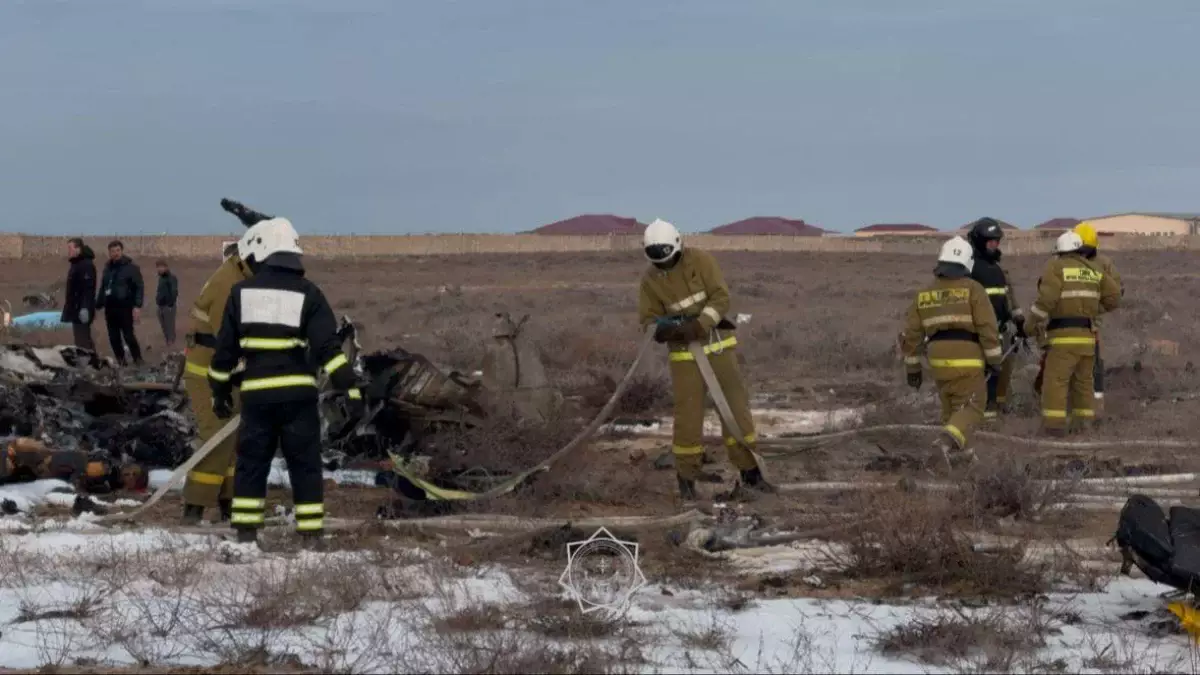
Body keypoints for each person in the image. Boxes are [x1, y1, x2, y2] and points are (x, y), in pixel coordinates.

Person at [207, 217, 363, 545]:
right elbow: (328, 349)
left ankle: (247, 535)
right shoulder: (310, 293)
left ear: (261, 251)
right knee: (305, 466)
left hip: (257, 399)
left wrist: (219, 391)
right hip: (298, 399)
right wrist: (349, 387)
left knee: (251, 465)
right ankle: (310, 536)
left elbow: (223, 354)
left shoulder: (241, 293)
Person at [637, 218, 773, 502]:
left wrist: (701, 324)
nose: (664, 266)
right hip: (684, 357)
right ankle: (686, 482)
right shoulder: (650, 280)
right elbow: (648, 320)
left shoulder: (701, 261)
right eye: (658, 262)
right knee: (687, 419)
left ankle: (751, 475)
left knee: (736, 412)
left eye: (668, 259)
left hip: (718, 348)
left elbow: (720, 297)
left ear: (678, 245)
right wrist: (666, 329)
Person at [179, 233, 262, 525]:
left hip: (226, 371)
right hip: (209, 374)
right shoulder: (230, 284)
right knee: (216, 438)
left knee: (233, 439)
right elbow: (232, 336)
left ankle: (229, 502)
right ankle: (194, 507)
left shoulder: (240, 275)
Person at [901, 235, 1003, 468]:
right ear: (967, 263)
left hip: (937, 359)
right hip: (966, 356)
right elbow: (988, 327)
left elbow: (912, 336)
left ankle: (960, 460)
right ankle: (945, 443)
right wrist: (995, 359)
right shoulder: (973, 289)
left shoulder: (924, 294)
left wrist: (913, 368)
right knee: (973, 406)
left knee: (951, 409)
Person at [1026, 231, 1120, 436]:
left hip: (1063, 338)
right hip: (1087, 338)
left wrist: (1030, 325)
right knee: (1083, 383)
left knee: (1056, 381)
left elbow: (1046, 301)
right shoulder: (1093, 269)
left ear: (1059, 252)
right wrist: (1093, 309)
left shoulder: (1056, 267)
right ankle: (1083, 426)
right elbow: (1114, 296)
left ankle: (1054, 428)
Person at [964, 218, 1025, 421]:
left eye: (997, 241)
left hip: (1000, 331)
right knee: (983, 378)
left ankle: (997, 412)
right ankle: (982, 419)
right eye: (990, 241)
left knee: (1000, 375)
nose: (994, 245)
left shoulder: (998, 270)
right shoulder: (969, 270)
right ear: (979, 241)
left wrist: (1019, 321)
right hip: (977, 335)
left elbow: (1008, 298)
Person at [1073, 221, 1123, 416]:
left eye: (1088, 251)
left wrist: (1096, 309)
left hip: (1091, 323)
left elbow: (1116, 292)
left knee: (1094, 363)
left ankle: (1097, 401)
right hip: (1067, 320)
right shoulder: (1064, 263)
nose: (1084, 255)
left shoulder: (1103, 264)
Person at [96, 241, 144, 366]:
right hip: (110, 308)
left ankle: (138, 359)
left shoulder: (131, 268)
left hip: (125, 307)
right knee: (113, 338)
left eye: (117, 250)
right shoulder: (107, 269)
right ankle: (121, 362)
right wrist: (98, 304)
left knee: (128, 335)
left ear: (121, 251)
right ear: (109, 253)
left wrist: (137, 306)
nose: (115, 253)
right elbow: (103, 287)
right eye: (112, 251)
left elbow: (139, 287)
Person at [61, 238, 97, 351]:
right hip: (75, 308)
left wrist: (85, 307)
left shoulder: (86, 264)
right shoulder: (76, 264)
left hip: (82, 309)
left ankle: (89, 364)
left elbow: (88, 288)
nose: (68, 251)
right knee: (80, 338)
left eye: (70, 248)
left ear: (78, 249)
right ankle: (91, 362)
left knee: (83, 340)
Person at [155, 260, 179, 350]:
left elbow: (174, 291)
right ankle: (168, 343)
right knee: (164, 326)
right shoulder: (161, 278)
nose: (160, 269)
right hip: (160, 306)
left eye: (161, 267)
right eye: (158, 267)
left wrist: (170, 304)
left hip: (168, 306)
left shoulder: (172, 278)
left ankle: (172, 345)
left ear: (166, 267)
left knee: (170, 326)